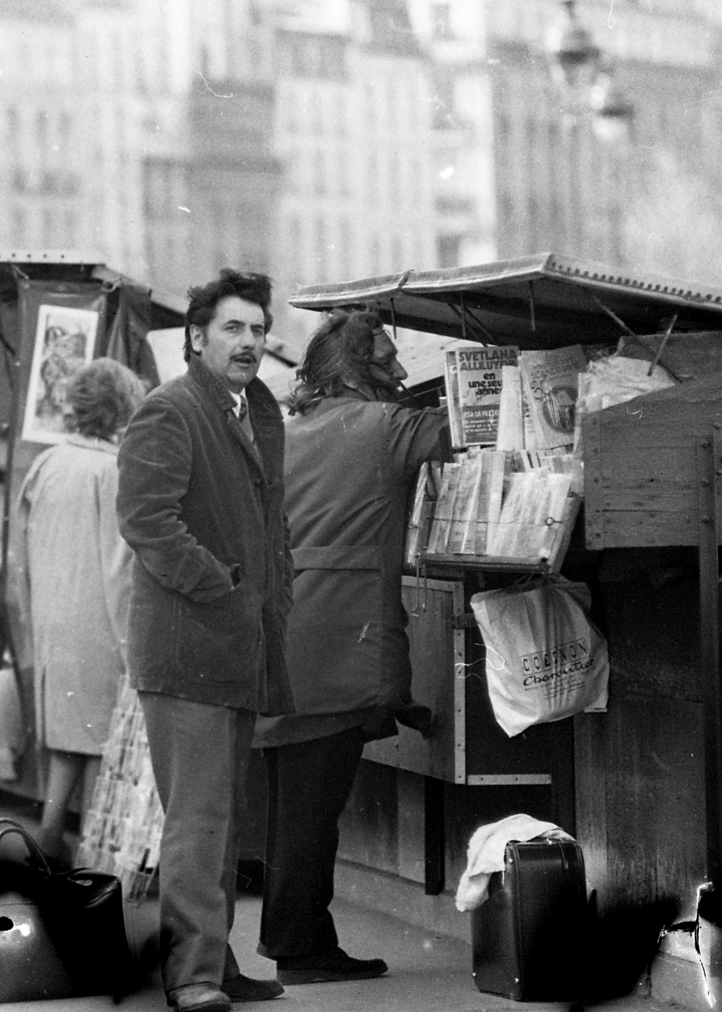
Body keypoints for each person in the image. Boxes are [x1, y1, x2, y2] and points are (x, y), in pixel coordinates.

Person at [253, 310, 450, 984]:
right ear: (360, 368)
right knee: (313, 810)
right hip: (339, 642)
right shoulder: (386, 427)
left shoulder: (288, 428)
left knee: (292, 805)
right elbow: (469, 433)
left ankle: (293, 939)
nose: (399, 370)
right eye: (389, 359)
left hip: (285, 635)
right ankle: (303, 949)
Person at [116, 269, 294, 1012]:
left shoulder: (253, 409)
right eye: (232, 328)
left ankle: (215, 967)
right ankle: (190, 975)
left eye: (257, 330)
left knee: (220, 817)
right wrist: (220, 583)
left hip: (231, 645)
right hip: (191, 646)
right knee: (198, 820)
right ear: (196, 337)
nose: (248, 342)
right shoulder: (171, 411)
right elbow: (146, 519)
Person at [8, 357, 146, 864]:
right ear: (120, 412)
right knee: (103, 743)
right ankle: (93, 854)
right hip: (99, 626)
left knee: (68, 736)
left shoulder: (47, 463)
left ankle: (48, 833)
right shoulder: (111, 471)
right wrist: (134, 645)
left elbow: (20, 555)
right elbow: (120, 566)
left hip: (52, 621)